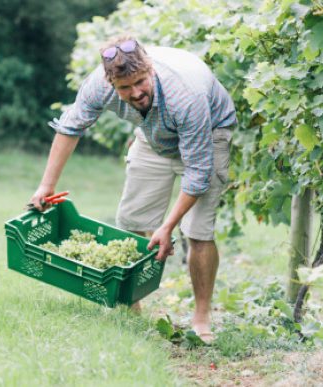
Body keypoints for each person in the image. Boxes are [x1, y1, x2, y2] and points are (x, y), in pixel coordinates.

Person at [30, 35, 236, 342]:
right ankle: (132, 316)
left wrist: (168, 226)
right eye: (125, 88)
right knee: (130, 224)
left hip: (210, 133)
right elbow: (70, 128)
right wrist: (47, 186)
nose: (135, 92)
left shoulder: (185, 96)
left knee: (198, 231)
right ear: (110, 82)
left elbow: (198, 175)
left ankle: (201, 318)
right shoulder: (98, 86)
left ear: (150, 70)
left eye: (140, 82)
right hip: (153, 135)